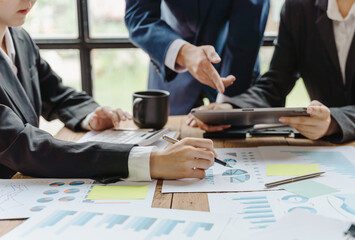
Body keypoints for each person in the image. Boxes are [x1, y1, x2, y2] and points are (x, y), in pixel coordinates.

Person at [188, 0, 355, 176]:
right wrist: (229, 108)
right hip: (333, 143)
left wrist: (332, 121)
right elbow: (274, 84)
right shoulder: (297, 8)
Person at [0, 0, 216, 182]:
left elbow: (57, 94)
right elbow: (22, 145)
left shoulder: (19, 37)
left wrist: (92, 115)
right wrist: (150, 161)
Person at [125, 0, 270, 115]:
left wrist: (228, 101)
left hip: (235, 66)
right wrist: (183, 53)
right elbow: (138, 16)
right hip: (172, 71)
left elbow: (250, 18)